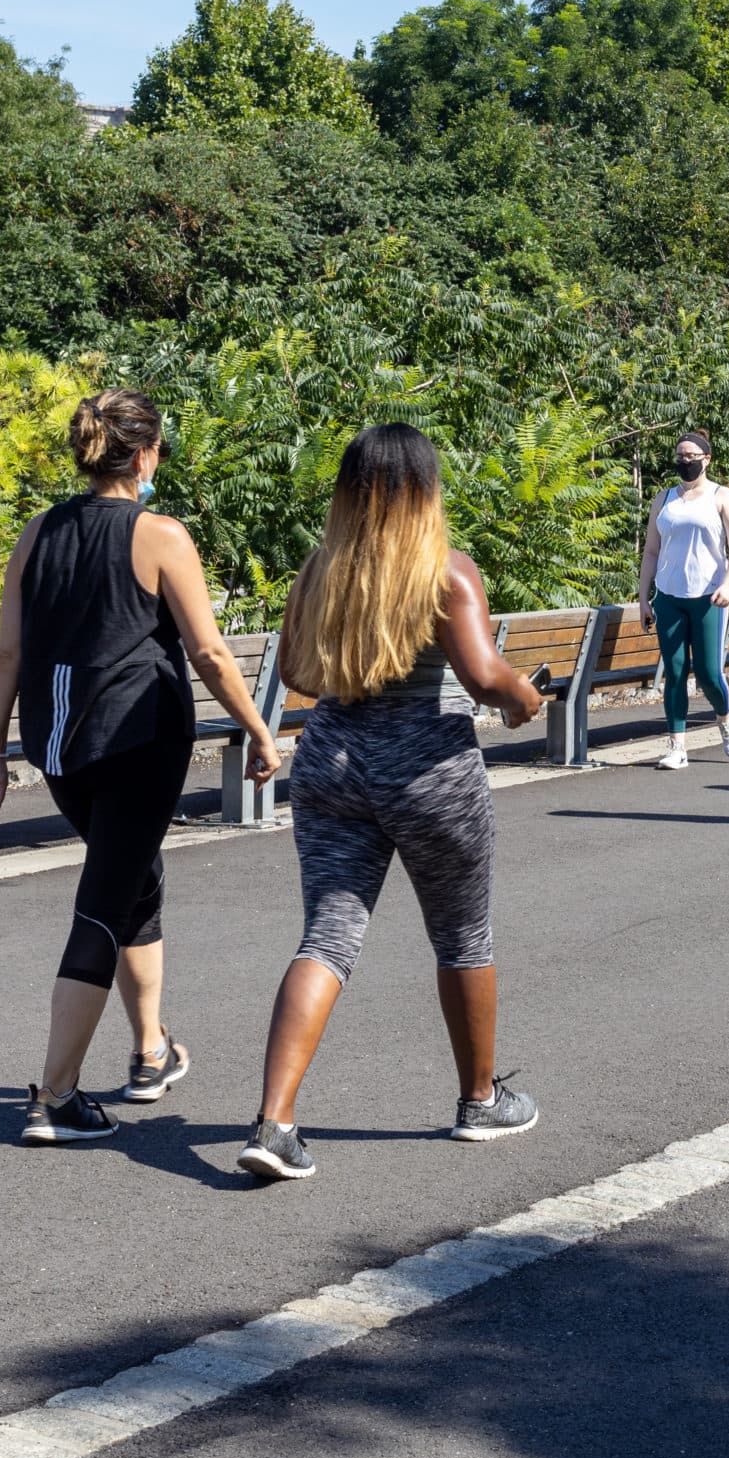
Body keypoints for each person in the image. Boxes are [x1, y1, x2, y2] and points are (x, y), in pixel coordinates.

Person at [0, 390, 280, 1147]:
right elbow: (206, 651)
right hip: (139, 744)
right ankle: (56, 1095)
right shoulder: (160, 534)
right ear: (143, 456)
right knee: (104, 902)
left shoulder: (38, 532)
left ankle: (150, 1053)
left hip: (61, 746)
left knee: (134, 880)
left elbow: (8, 651)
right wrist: (259, 729)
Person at [237, 424, 545, 1183]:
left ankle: (274, 1124)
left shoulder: (319, 572)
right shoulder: (448, 574)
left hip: (332, 762)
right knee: (463, 937)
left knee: (328, 938)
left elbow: (298, 674)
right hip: (427, 768)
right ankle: (479, 1101)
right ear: (426, 490)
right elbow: (482, 677)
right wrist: (525, 697)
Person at [638, 428, 729, 770]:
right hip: (669, 596)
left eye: (691, 456)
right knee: (674, 671)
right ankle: (676, 747)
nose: (685, 462)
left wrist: (728, 585)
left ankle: (725, 718)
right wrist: (644, 597)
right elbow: (651, 551)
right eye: (680, 456)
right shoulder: (664, 499)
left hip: (708, 598)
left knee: (708, 674)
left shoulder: (721, 496)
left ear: (706, 459)